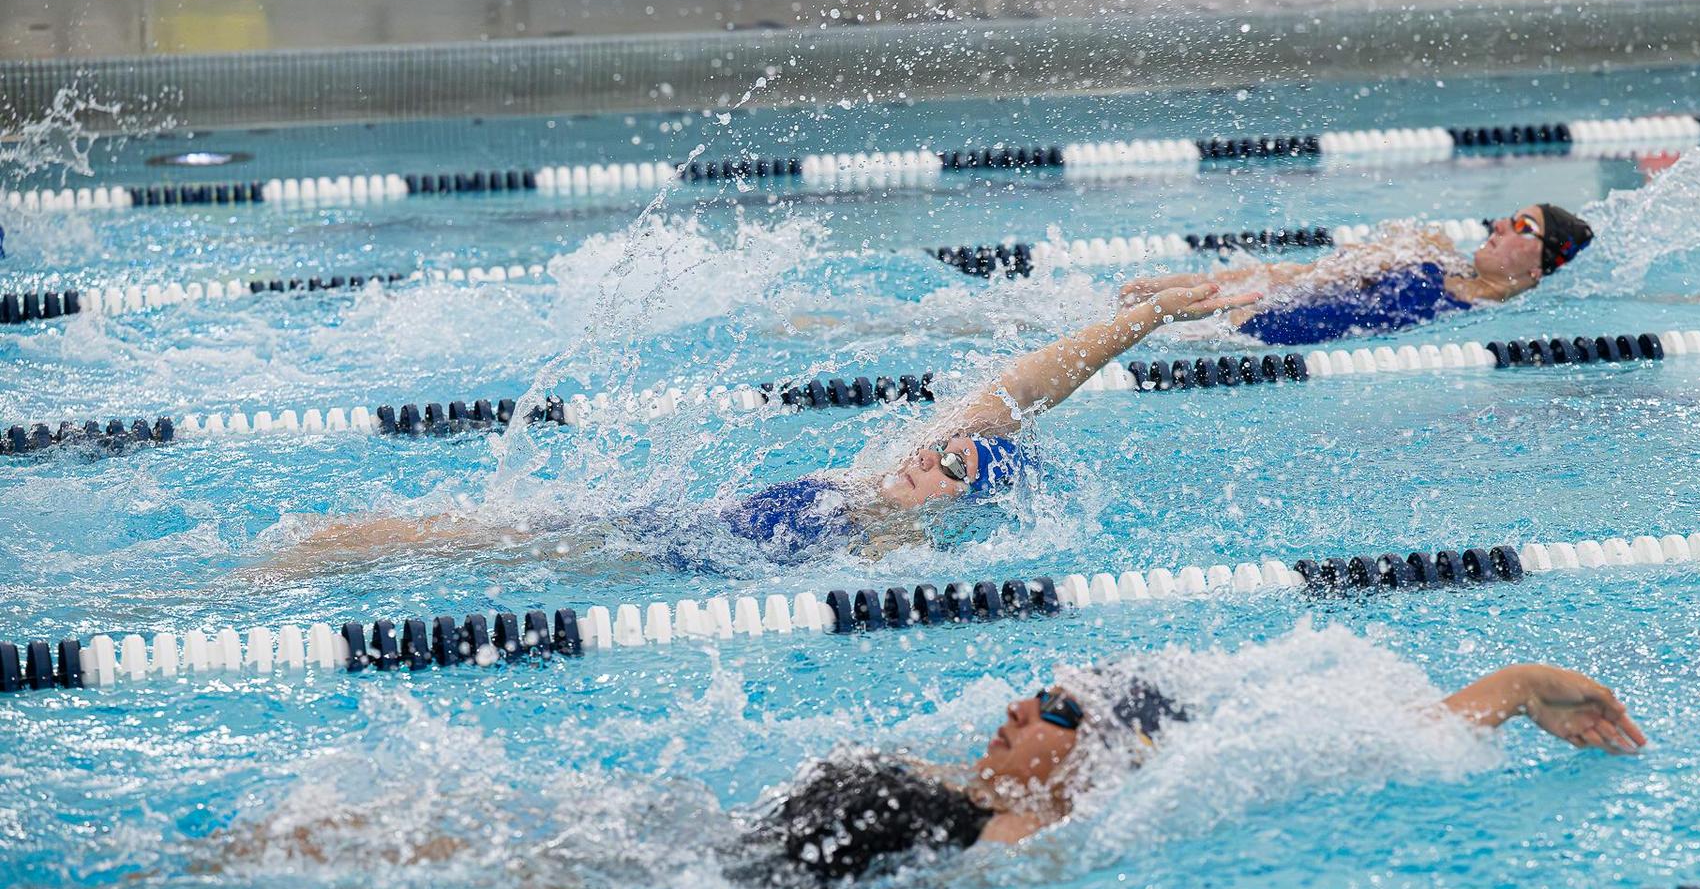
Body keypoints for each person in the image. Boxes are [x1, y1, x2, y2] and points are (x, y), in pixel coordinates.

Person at [257, 282, 1261, 578]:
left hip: (649, 567)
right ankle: (308, 551)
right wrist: (1145, 319)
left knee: (460, 549)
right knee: (436, 533)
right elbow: (1011, 394)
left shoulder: (894, 541)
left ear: (962, 502)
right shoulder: (881, 482)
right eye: (934, 448)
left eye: (944, 464)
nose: (925, 454)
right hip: (656, 524)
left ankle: (299, 560)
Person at [740, 657, 1644, 889]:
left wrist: (1520, 691)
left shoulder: (1017, 838)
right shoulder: (975, 791)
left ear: (1098, 764)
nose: (1017, 709)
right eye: (1038, 697)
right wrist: (1515, 686)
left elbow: (1331, 750)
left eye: (1057, 713)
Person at [1118, 203, 1594, 349]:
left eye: (1522, 227)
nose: (1499, 225)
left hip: (1252, 347)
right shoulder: (1429, 254)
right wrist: (1199, 289)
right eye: (1508, 217)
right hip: (1232, 326)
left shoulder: (1506, 326)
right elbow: (1305, 273)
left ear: (1541, 264)